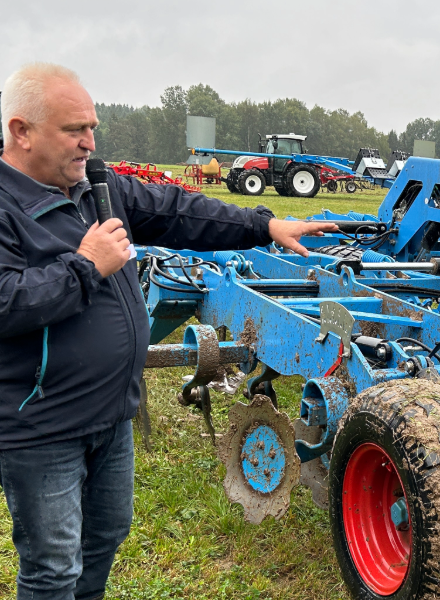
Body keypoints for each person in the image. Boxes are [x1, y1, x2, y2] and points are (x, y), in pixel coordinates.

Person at [0, 63, 337, 600]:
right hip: (42, 428)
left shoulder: (98, 185)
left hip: (111, 415)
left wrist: (264, 225)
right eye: (74, 130)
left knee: (105, 537)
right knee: (52, 567)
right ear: (21, 132)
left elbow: (179, 211)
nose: (89, 142)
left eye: (92, 127)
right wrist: (86, 268)